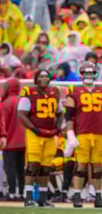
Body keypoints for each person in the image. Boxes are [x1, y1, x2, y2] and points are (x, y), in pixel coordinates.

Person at [64, 63, 102, 208]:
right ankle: (77, 196)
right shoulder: (74, 90)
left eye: (91, 73)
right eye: (85, 74)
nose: (88, 76)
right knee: (81, 167)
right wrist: (70, 133)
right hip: (82, 134)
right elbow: (68, 116)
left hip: (98, 134)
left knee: (97, 167)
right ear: (81, 74)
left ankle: (98, 198)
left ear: (95, 74)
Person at [17, 69, 63, 207]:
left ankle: (43, 199)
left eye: (46, 76)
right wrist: (33, 128)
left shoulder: (55, 92)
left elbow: (60, 113)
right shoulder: (28, 92)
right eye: (41, 76)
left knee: (46, 167)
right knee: (33, 165)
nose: (44, 78)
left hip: (50, 134)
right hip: (34, 133)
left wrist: (59, 127)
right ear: (36, 78)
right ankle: (28, 198)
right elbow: (21, 114)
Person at [1, 79, 25, 200]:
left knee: (10, 168)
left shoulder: (6, 103)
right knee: (21, 168)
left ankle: (11, 193)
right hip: (24, 142)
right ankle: (21, 193)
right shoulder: (24, 101)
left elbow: (3, 123)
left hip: (10, 142)